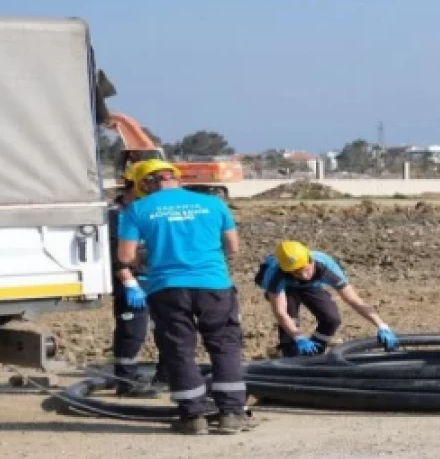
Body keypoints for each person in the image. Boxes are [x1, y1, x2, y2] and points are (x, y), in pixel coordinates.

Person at [116, 159, 253, 435]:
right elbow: (233, 248)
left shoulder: (137, 209)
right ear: (176, 178)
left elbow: (126, 256)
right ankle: (232, 415)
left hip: (167, 288)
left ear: (144, 184)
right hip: (213, 284)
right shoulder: (214, 204)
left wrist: (147, 265)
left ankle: (193, 417)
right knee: (224, 345)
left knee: (179, 350)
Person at [255, 240, 399, 357]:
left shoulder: (325, 265)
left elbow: (353, 300)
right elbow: (280, 313)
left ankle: (315, 351)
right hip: (285, 288)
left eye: (305, 269)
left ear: (310, 260)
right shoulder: (275, 274)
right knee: (290, 318)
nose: (304, 275)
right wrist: (299, 338)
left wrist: (382, 325)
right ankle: (289, 353)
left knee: (331, 318)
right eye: (297, 273)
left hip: (311, 286)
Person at [106, 165, 160, 397]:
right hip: (132, 281)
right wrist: (129, 282)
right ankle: (125, 380)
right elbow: (111, 250)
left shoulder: (150, 209)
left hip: (157, 279)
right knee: (132, 330)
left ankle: (167, 374)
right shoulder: (116, 214)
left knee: (167, 329)